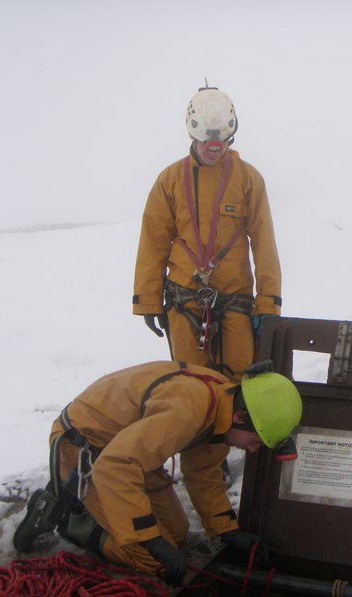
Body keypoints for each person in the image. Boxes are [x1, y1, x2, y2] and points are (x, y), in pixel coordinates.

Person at [12, 360, 302, 586]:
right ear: (240, 417)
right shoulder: (187, 410)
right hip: (85, 449)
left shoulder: (223, 409)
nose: (252, 450)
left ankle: (97, 510)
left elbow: (203, 475)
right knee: (153, 558)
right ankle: (73, 520)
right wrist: (150, 540)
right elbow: (115, 467)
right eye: (255, 441)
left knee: (176, 534)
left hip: (129, 450)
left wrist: (229, 531)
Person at [132, 85, 282, 382]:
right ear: (192, 135)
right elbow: (153, 241)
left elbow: (264, 242)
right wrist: (147, 300)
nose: (214, 149)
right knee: (191, 384)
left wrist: (269, 302)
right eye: (207, 143)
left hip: (236, 302)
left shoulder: (248, 179)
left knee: (240, 382)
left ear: (230, 136)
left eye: (221, 142)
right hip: (184, 301)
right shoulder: (170, 180)